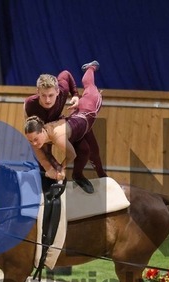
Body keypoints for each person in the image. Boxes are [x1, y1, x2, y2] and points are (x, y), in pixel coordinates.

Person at [24, 64, 107, 194]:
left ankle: (90, 68)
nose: (47, 100)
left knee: (88, 150)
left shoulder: (62, 90)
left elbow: (66, 74)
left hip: (77, 117)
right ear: (37, 92)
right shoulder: (30, 105)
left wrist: (75, 94)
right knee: (42, 150)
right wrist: (51, 168)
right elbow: (32, 130)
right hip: (53, 127)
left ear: (57, 92)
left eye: (51, 95)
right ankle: (49, 185)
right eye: (43, 95)